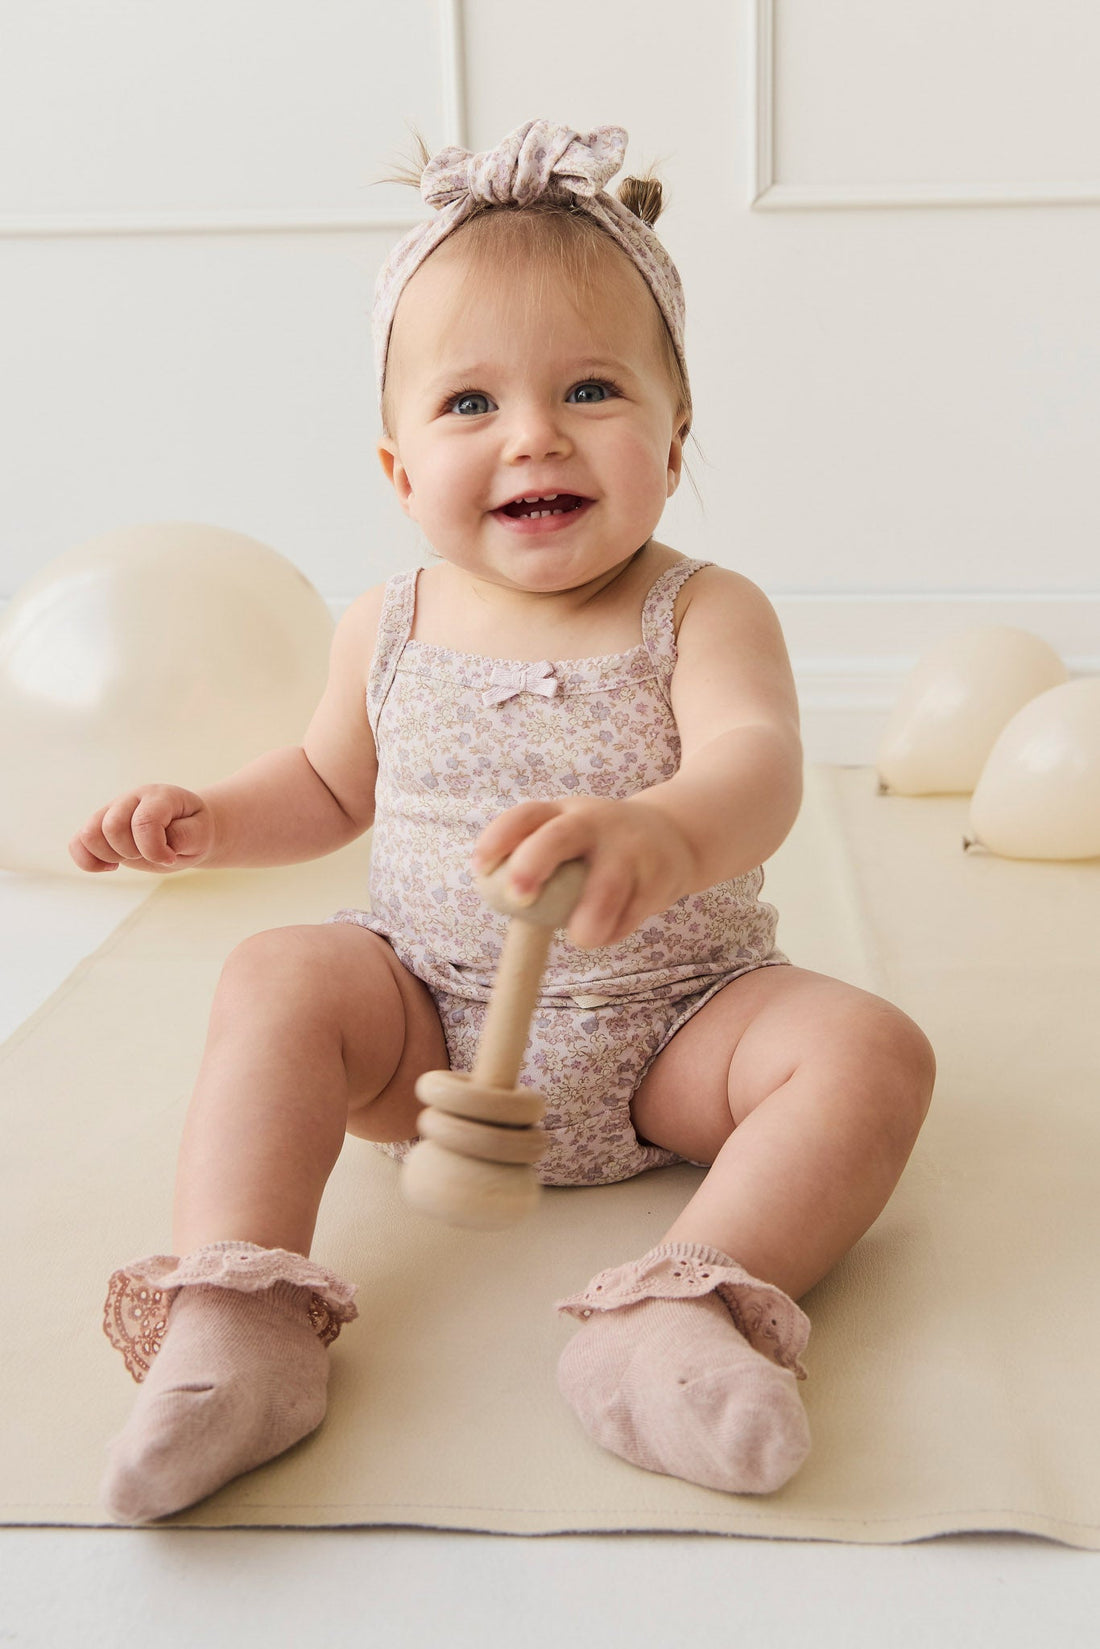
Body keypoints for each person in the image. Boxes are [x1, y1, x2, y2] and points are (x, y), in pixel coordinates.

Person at [72, 121, 936, 1522]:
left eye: (590, 388)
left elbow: (761, 763)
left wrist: (665, 831)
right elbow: (330, 785)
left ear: (674, 433)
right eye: (470, 404)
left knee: (868, 1052)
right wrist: (209, 818)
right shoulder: (388, 623)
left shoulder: (702, 610)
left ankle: (679, 1308)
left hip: (678, 1023)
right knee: (277, 974)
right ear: (399, 470)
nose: (533, 432)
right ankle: (239, 1314)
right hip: (431, 1022)